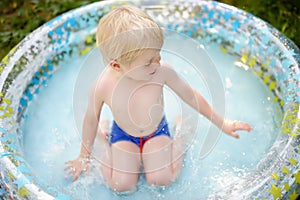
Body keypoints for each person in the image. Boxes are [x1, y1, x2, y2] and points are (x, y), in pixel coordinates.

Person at [65, 5, 252, 193]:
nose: (157, 62)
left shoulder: (161, 71)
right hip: (123, 134)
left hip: (156, 131)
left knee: (162, 179)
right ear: (116, 65)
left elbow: (190, 95)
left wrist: (222, 122)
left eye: (158, 54)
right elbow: (90, 119)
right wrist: (84, 156)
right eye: (148, 61)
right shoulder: (103, 85)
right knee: (121, 186)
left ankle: (180, 133)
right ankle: (102, 136)